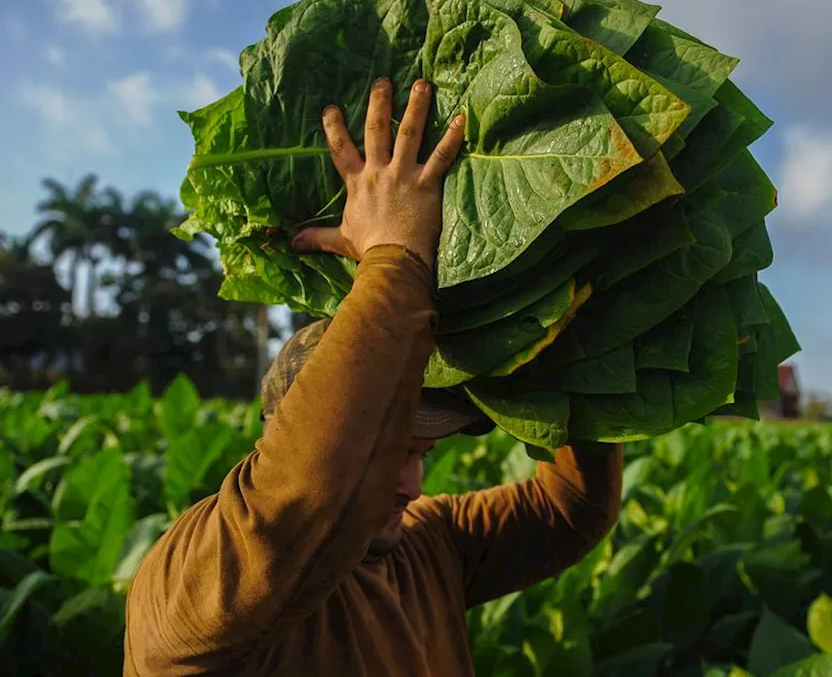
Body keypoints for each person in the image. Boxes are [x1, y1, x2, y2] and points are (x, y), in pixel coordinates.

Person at [122, 77, 624, 676]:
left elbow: (570, 509)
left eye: (421, 452)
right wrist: (393, 254)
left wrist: (564, 320)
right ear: (287, 433)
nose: (410, 484)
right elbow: (300, 498)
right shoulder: (196, 586)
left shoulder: (426, 546)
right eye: (392, 450)